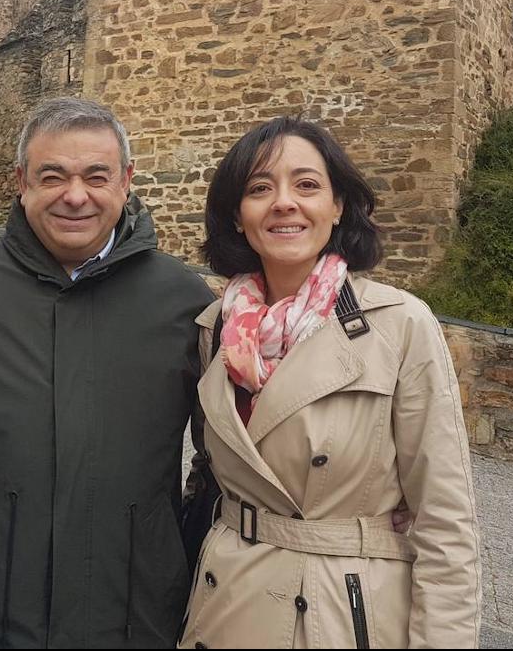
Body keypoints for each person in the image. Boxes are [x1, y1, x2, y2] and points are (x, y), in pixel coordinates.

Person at [0, 98, 215, 648]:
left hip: (132, 619)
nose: (75, 195)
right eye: (52, 175)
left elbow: (222, 461)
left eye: (96, 176)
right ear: (21, 181)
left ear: (126, 181)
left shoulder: (182, 301)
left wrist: (171, 555)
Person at [178, 116, 481, 648]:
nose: (284, 203)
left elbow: (446, 523)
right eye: (259, 189)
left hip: (339, 616)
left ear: (338, 206)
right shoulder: (216, 328)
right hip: (225, 606)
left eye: (307, 185)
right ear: (237, 214)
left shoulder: (400, 325)